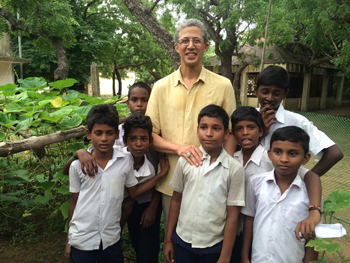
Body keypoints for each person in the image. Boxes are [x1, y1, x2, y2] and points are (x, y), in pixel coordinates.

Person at [146, 18, 237, 232]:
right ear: (177, 47)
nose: (190, 46)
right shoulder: (160, 87)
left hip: (213, 184)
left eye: (196, 41)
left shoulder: (223, 86)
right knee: (175, 243)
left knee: (210, 240)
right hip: (171, 184)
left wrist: (225, 172)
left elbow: (231, 133)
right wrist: (180, 149)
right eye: (184, 41)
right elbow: (151, 135)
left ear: (206, 47)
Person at [64, 104, 167, 263]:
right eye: (98, 133)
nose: (104, 138)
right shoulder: (78, 165)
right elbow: (74, 202)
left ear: (117, 134)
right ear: (89, 134)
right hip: (82, 238)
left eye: (109, 133)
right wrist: (68, 241)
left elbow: (133, 193)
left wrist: (160, 175)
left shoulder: (125, 161)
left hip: (110, 239)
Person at [230, 107, 322, 262]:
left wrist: (315, 210)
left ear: (305, 158)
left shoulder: (308, 191)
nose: (284, 159)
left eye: (292, 154)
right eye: (278, 152)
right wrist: (245, 256)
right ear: (271, 153)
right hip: (242, 236)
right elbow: (250, 219)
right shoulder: (235, 160)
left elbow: (311, 176)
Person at [163, 105, 245, 263]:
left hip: (214, 245)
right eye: (203, 127)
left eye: (216, 128)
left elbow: (233, 216)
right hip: (182, 240)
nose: (208, 133)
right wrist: (168, 240)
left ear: (226, 134)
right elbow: (176, 199)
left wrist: (225, 257)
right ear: (197, 130)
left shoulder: (234, 169)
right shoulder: (185, 161)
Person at [256, 65, 343, 177]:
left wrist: (307, 179)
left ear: (285, 94)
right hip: (249, 188)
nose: (269, 98)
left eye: (277, 93)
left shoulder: (297, 121)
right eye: (264, 92)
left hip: (284, 191)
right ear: (256, 91)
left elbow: (334, 153)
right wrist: (261, 131)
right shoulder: (247, 118)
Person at [62, 82, 154, 176]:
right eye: (134, 100)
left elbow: (134, 191)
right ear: (123, 139)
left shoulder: (157, 129)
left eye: (144, 100)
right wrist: (80, 152)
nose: (139, 104)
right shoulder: (118, 138)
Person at [121, 113, 169, 263]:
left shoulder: (155, 155)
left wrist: (153, 208)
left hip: (148, 205)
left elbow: (161, 184)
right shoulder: (119, 158)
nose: (138, 144)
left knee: (148, 250)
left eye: (143, 139)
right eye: (133, 139)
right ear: (125, 140)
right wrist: (160, 175)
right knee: (137, 244)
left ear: (150, 141)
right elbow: (132, 194)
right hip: (126, 207)